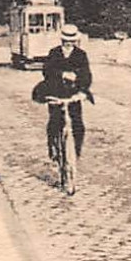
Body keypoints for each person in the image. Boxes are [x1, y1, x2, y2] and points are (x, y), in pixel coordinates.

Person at [35, 25, 93, 160]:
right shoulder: (54, 53)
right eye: (66, 41)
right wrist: (62, 74)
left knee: (78, 124)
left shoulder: (81, 55)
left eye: (72, 41)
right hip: (56, 92)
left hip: (73, 93)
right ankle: (53, 149)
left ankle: (76, 152)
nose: (69, 44)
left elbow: (86, 75)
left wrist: (82, 91)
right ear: (62, 40)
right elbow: (47, 71)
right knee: (54, 122)